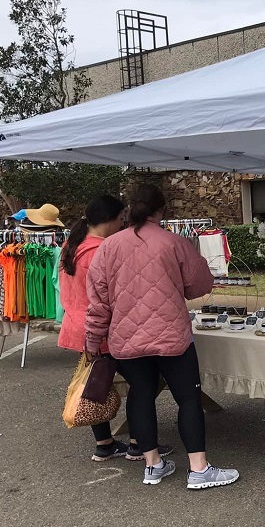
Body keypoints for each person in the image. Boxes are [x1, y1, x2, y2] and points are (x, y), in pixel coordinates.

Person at [85, 185, 239, 488]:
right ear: (162, 210)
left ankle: (152, 464)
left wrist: (92, 342)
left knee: (141, 394)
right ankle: (199, 469)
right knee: (188, 398)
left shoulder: (108, 247)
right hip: (172, 335)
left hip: (125, 338)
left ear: (129, 209)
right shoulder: (174, 242)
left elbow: (97, 302)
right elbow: (199, 284)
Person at [58, 195, 172, 462]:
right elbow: (116, 294)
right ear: (109, 219)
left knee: (98, 383)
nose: (123, 225)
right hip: (107, 330)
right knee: (144, 383)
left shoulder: (71, 247)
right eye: (121, 219)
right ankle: (139, 444)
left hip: (79, 328)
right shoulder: (103, 250)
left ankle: (105, 443)